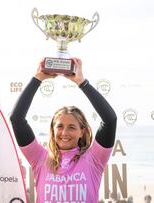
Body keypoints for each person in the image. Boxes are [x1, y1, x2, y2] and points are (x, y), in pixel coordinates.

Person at [10, 58, 117, 202]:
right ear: (53, 131)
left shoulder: (94, 159)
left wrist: (82, 83)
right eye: (59, 126)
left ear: (82, 132)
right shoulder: (40, 159)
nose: (64, 133)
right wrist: (38, 78)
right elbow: (16, 119)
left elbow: (110, 121)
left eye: (72, 127)